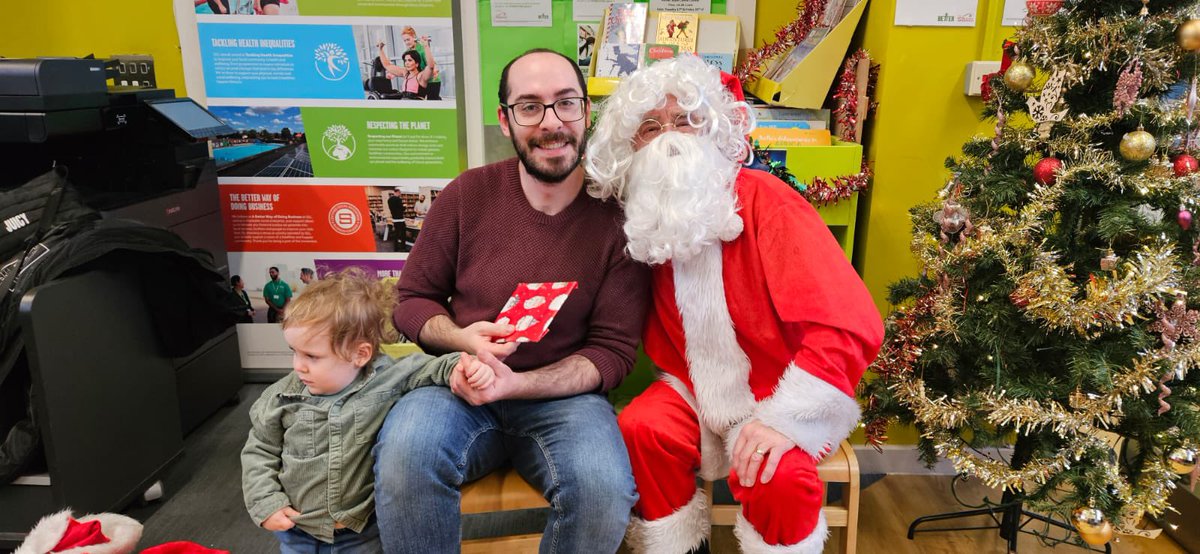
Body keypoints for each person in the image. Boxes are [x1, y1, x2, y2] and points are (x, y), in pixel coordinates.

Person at [586, 55, 884, 553]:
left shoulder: (767, 200)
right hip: (691, 390)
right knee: (640, 430)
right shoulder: (643, 216)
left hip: (776, 390)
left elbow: (847, 322)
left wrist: (785, 420)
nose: (669, 138)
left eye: (685, 120)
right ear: (630, 148)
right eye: (651, 127)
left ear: (712, 128)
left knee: (778, 476)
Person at [374, 48, 651, 553]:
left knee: (604, 490)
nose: (551, 122)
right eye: (529, 106)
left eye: (565, 102)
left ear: (587, 112)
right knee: (405, 459)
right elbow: (411, 300)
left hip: (564, 401)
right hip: (458, 384)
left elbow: (612, 352)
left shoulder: (619, 217)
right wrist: (461, 340)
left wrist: (518, 383)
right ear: (505, 121)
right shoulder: (467, 195)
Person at [241, 269, 501, 552]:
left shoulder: (387, 377)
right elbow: (260, 450)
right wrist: (266, 502)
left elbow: (431, 367)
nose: (298, 366)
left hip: (361, 535)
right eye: (294, 351)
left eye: (312, 356)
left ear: (360, 354)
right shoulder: (281, 396)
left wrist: (466, 368)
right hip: (297, 532)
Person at [401, 26, 442, 99]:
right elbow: (405, 68)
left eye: (408, 39)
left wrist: (435, 69)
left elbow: (432, 64)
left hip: (432, 81)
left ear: (414, 37)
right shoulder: (407, 52)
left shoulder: (422, 49)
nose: (407, 42)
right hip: (420, 81)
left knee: (432, 101)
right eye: (405, 41)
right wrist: (392, 73)